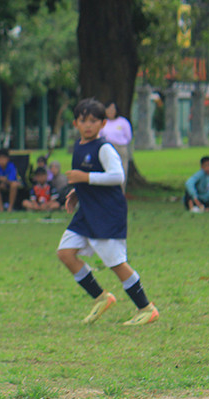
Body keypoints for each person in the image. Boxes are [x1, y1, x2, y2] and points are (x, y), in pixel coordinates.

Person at [58, 98, 159, 326]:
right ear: (75, 123)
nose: (88, 125)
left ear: (103, 124)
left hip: (106, 213)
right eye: (83, 121)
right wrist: (78, 191)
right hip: (87, 211)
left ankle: (146, 307)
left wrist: (85, 178)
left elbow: (117, 176)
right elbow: (88, 177)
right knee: (65, 252)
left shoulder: (104, 148)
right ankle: (102, 298)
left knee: (115, 263)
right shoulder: (79, 146)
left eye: (93, 121)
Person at [99, 101, 133, 189]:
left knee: (122, 170)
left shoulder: (123, 122)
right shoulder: (103, 123)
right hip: (107, 147)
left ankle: (121, 191)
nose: (110, 112)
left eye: (112, 109)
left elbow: (128, 136)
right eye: (108, 109)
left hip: (120, 148)